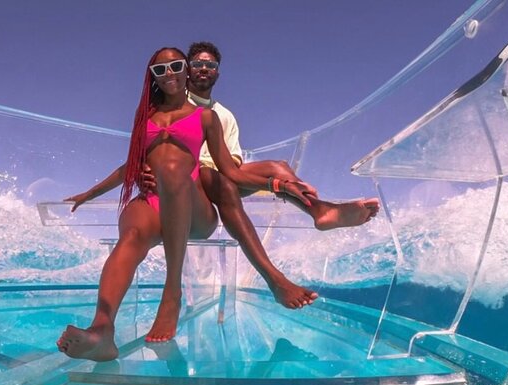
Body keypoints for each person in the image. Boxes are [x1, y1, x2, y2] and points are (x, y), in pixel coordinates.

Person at [65, 41, 379, 314]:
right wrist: (121, 180)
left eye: (210, 65)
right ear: (186, 70)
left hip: (217, 173)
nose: (203, 69)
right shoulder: (168, 101)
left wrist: (278, 183)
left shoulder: (221, 116)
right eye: (196, 64)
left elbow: (234, 165)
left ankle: (319, 210)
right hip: (189, 178)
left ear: (218, 72)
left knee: (277, 166)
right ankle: (274, 278)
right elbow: (143, 154)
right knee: (221, 180)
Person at [57, 47, 316, 361]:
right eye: (160, 70)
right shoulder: (145, 117)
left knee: (174, 170)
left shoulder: (206, 117)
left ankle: (172, 293)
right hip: (153, 203)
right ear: (152, 77)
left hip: (194, 209)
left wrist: (279, 186)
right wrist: (90, 193)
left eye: (175, 66)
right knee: (131, 237)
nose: (169, 74)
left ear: (185, 71)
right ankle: (101, 331)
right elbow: (130, 166)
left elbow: (232, 171)